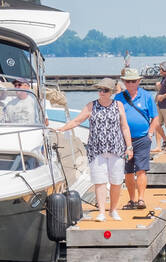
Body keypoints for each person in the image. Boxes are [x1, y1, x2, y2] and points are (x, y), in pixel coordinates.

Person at [56, 78, 132, 222]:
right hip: (96, 149)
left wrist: (129, 147)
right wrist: (62, 128)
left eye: (105, 90)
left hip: (116, 148)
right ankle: (102, 212)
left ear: (111, 92)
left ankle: (113, 210)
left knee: (116, 181)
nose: (101, 92)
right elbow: (77, 121)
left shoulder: (118, 105)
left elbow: (124, 127)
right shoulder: (91, 105)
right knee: (100, 181)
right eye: (100, 90)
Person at [115, 68, 158, 210]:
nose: (131, 84)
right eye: (128, 81)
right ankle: (132, 200)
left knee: (141, 170)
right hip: (124, 140)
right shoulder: (118, 98)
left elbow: (155, 118)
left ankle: (141, 199)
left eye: (133, 81)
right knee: (127, 172)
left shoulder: (146, 96)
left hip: (142, 139)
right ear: (124, 82)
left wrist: (150, 134)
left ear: (139, 81)